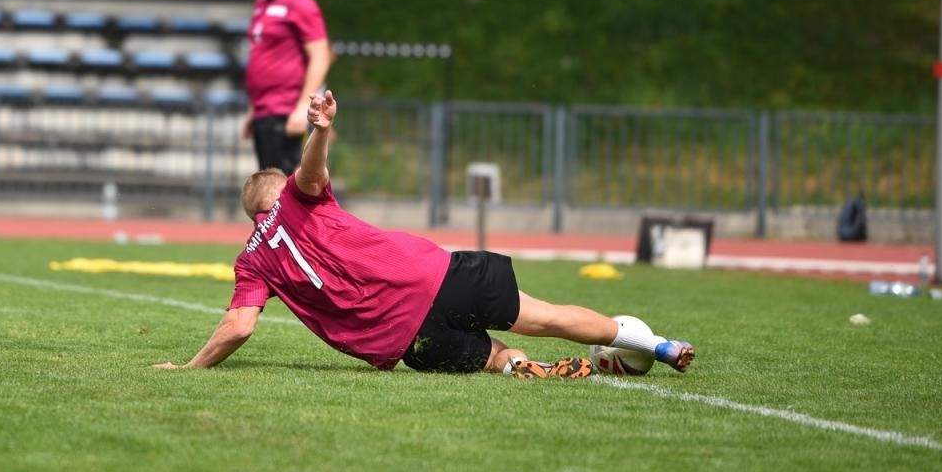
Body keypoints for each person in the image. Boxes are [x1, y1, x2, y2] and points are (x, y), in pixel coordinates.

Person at [156, 90, 695, 377]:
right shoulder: (299, 196)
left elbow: (239, 328)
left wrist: (189, 366)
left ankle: (518, 369)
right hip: (436, 274)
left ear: (253, 216)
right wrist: (322, 130)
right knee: (547, 316)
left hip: (400, 336)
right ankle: (656, 345)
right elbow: (311, 173)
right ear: (281, 191)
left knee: (487, 356)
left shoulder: (252, 259)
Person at [241, 0, 331, 175]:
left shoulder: (300, 3)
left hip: (285, 109)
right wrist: (254, 109)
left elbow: (321, 56)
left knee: (284, 189)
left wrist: (303, 106)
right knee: (269, 184)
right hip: (265, 110)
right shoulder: (261, 4)